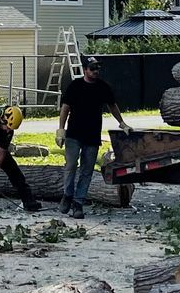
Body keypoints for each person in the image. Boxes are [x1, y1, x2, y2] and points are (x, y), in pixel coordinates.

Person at [54, 56, 130, 220]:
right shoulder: (75, 86)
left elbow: (112, 105)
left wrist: (122, 123)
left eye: (97, 68)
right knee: (71, 165)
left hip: (92, 136)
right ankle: (67, 194)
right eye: (92, 68)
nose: (96, 71)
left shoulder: (102, 87)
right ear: (85, 70)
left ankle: (78, 203)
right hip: (74, 134)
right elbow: (65, 108)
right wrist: (61, 130)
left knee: (87, 171)